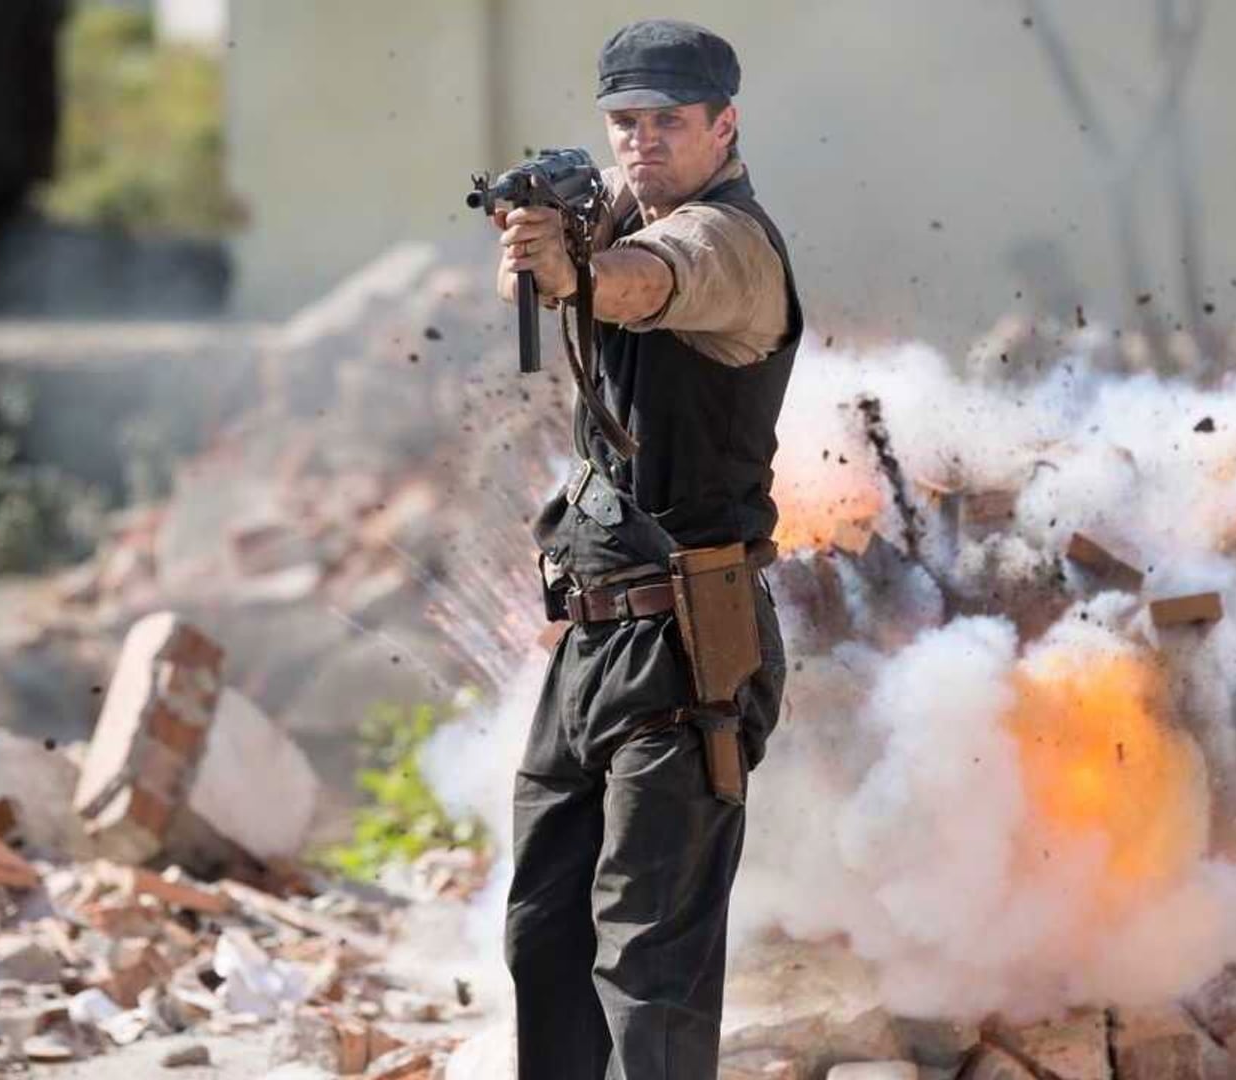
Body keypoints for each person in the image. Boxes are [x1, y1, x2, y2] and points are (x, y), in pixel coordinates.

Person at [489, 19, 799, 1079]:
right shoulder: (624, 211)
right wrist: (538, 242)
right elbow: (578, 261)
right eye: (627, 121)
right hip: (591, 641)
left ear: (725, 125)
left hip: (688, 645)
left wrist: (574, 274)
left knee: (647, 967)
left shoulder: (732, 242)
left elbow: (651, 279)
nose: (645, 140)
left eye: (671, 120)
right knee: (544, 939)